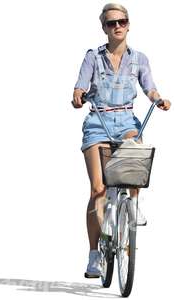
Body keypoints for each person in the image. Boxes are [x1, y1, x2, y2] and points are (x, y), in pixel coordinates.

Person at [72, 3, 171, 279]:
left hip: (126, 122)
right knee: (98, 189)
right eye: (111, 23)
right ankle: (94, 255)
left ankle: (133, 206)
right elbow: (81, 84)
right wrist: (78, 94)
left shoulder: (139, 59)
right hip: (99, 122)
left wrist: (158, 99)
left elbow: (149, 86)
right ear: (104, 27)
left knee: (136, 156)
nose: (117, 26)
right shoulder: (93, 57)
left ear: (129, 24)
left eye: (122, 21)